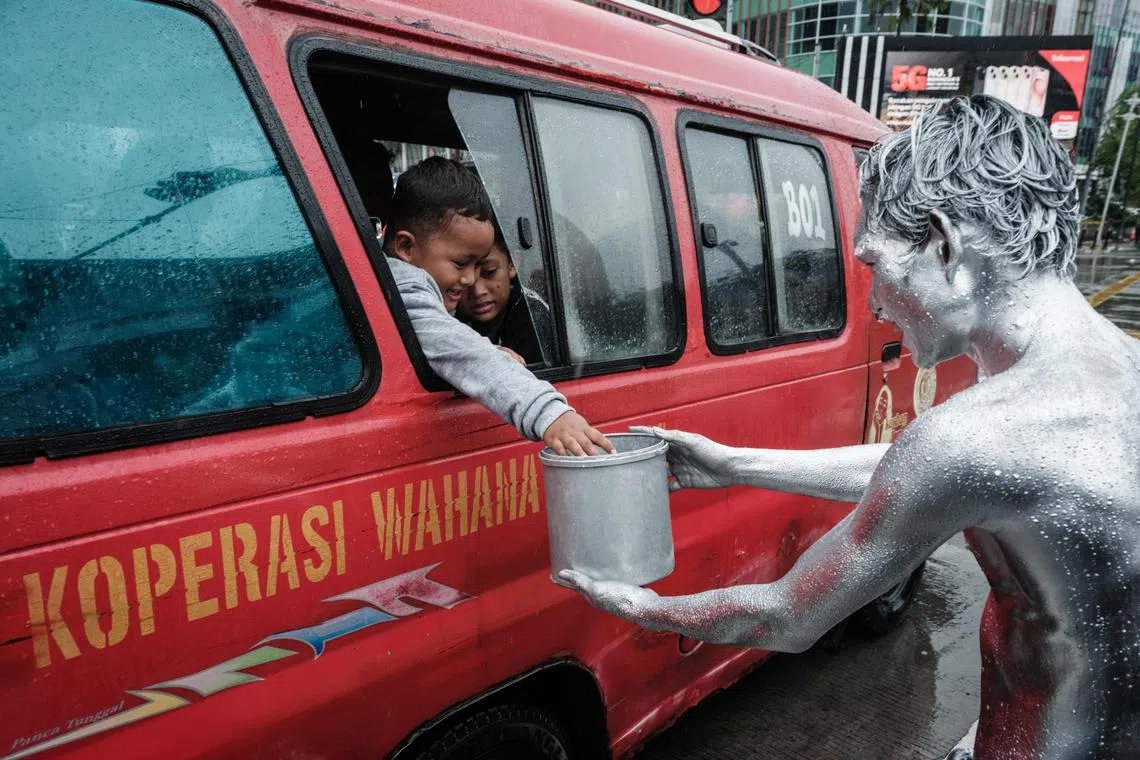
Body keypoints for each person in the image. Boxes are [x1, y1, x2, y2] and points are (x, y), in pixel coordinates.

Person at [559, 95, 1140, 759]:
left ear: (945, 244)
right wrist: (733, 464)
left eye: (876, 265)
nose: (874, 302)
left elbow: (789, 614)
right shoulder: (1113, 367)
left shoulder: (976, 437)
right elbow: (927, 475)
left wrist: (642, 609)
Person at [384, 156, 613, 456]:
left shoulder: (389, 280)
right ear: (406, 248)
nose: (469, 279)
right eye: (460, 263)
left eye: (480, 265)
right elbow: (461, 353)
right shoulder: (402, 289)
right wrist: (549, 413)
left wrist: (492, 351)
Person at [456, 230, 554, 367]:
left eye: (489, 272)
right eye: (463, 278)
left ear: (513, 263)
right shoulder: (444, 313)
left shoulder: (533, 318)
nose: (478, 292)